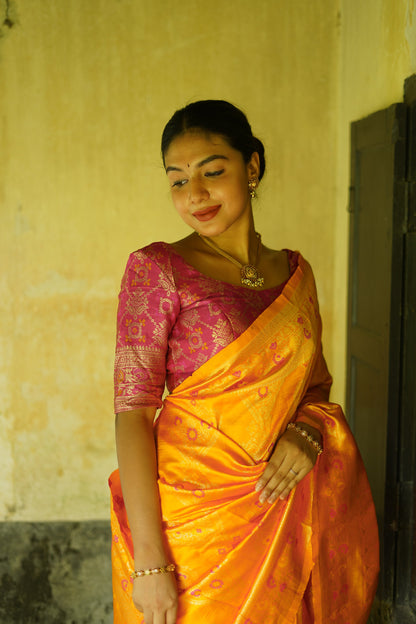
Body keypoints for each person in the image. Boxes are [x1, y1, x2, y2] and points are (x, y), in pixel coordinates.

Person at [109, 100, 379, 624]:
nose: (195, 195)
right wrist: (150, 562)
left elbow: (314, 388)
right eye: (178, 181)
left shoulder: (295, 274)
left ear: (251, 167)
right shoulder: (158, 269)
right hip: (189, 532)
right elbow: (133, 414)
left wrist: (308, 430)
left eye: (212, 171)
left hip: (284, 514)